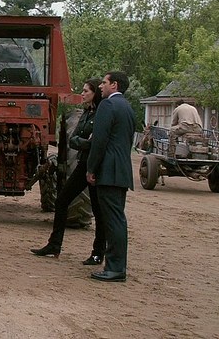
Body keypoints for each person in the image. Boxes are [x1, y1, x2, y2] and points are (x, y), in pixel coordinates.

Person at [31, 79, 106, 265]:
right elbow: (74, 140)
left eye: (86, 91)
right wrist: (86, 142)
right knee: (62, 200)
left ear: (95, 93)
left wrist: (85, 143)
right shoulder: (87, 113)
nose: (82, 94)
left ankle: (98, 253)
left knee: (98, 210)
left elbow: (97, 142)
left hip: (95, 166)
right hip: (83, 163)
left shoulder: (102, 114)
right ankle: (54, 245)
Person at [86, 71, 135, 282]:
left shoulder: (107, 105)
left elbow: (99, 141)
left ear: (114, 85)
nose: (100, 86)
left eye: (104, 83)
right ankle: (116, 266)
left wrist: (91, 168)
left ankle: (115, 268)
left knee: (113, 221)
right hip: (121, 170)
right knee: (117, 219)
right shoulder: (127, 107)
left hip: (108, 171)